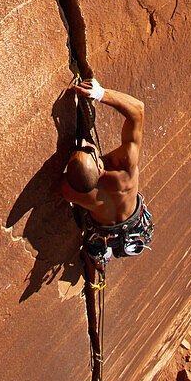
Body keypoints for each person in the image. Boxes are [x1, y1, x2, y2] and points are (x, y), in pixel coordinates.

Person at [60, 78, 153, 268]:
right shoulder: (124, 169)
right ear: (100, 167)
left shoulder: (71, 192)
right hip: (134, 220)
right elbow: (137, 110)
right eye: (86, 149)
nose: (83, 142)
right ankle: (112, 246)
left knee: (97, 240)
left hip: (103, 230)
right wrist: (100, 93)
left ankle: (102, 251)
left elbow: (66, 183)